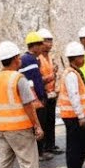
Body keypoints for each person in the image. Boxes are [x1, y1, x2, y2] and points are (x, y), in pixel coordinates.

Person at [0, 41, 44, 168]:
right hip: (20, 128)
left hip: (2, 128)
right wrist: (37, 125)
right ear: (14, 59)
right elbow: (28, 105)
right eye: (18, 57)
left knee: (3, 164)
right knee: (28, 163)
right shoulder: (18, 79)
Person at [57, 42, 85, 168]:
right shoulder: (71, 74)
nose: (83, 59)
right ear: (75, 58)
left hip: (75, 115)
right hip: (74, 116)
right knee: (76, 145)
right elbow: (74, 95)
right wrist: (81, 116)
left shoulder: (73, 72)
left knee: (78, 145)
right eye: (81, 57)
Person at [19, 32, 54, 160]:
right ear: (33, 46)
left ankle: (39, 151)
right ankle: (39, 153)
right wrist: (42, 96)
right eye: (39, 44)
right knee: (38, 125)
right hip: (35, 100)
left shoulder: (28, 59)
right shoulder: (30, 60)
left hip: (31, 98)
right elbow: (36, 81)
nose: (41, 47)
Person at [37, 29, 60, 157]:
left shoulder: (50, 58)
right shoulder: (38, 59)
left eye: (51, 41)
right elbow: (39, 78)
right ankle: (44, 147)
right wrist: (51, 77)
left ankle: (51, 145)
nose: (50, 44)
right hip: (43, 94)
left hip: (52, 93)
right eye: (47, 41)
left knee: (51, 121)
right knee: (44, 121)